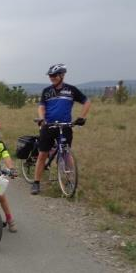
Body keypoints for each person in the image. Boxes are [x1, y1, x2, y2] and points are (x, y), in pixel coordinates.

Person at [31, 64, 91, 195]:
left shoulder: (71, 90)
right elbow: (41, 106)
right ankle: (36, 183)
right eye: (50, 76)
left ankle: (70, 180)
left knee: (66, 153)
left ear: (62, 75)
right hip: (48, 126)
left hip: (66, 126)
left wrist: (82, 117)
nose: (52, 78)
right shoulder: (46, 91)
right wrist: (41, 118)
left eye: (54, 75)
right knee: (42, 154)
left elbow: (87, 101)